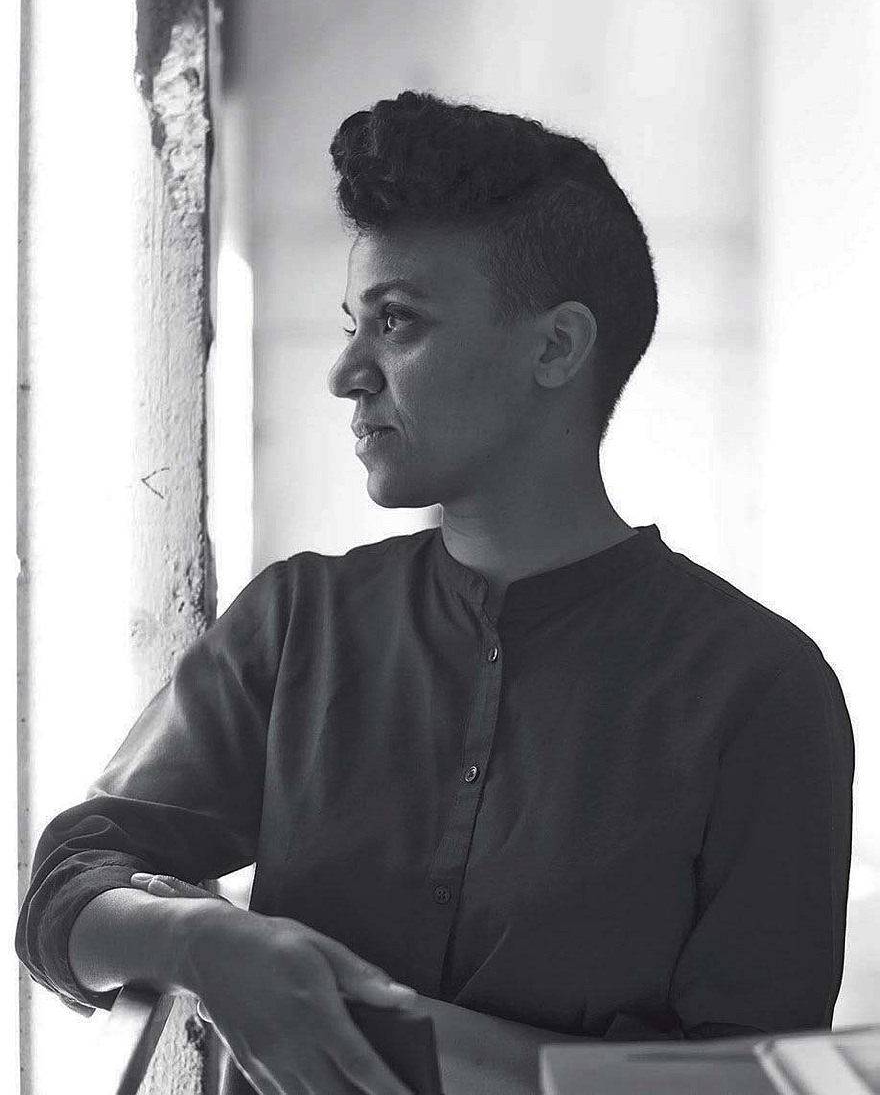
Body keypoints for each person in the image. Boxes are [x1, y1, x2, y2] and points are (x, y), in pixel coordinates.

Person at [16, 91, 855, 1095]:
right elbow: (66, 889)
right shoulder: (297, 623)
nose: (346, 373)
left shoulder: (762, 690)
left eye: (396, 321)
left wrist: (371, 1025)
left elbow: (755, 1082)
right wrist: (203, 942)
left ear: (556, 347)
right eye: (352, 324)